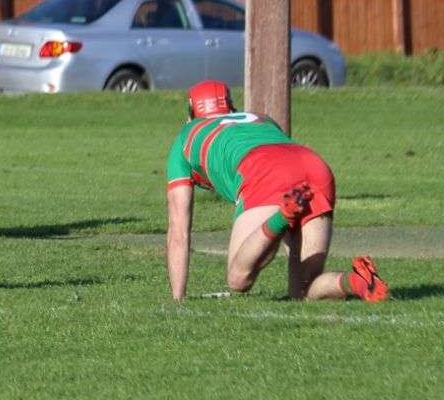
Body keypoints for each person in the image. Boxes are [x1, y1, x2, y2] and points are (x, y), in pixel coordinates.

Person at [165, 80, 388, 301]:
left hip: (263, 169)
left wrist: (178, 297)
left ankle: (282, 217)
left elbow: (179, 232)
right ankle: (359, 281)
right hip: (314, 165)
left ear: (191, 114)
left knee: (238, 279)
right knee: (303, 290)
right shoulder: (263, 119)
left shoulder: (185, 137)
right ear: (231, 108)